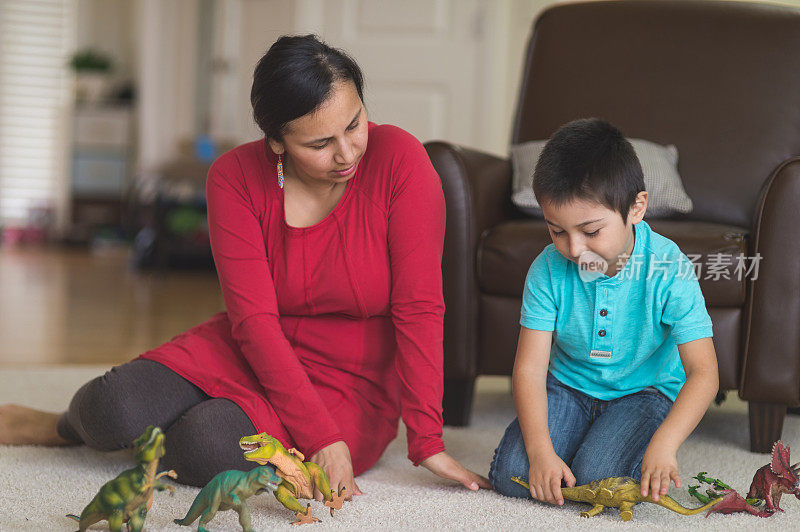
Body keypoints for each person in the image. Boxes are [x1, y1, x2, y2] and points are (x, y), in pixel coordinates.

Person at [0, 34, 490, 496]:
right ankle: (59, 427)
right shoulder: (233, 178)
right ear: (276, 141)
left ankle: (180, 429)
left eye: (354, 124)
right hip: (251, 344)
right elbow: (253, 321)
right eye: (319, 144)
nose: (346, 153)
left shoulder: (401, 161)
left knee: (205, 445)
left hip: (353, 383)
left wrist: (427, 438)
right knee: (114, 407)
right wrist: (318, 438)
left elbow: (420, 307)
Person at [488, 118, 719, 506]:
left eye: (591, 231)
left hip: (644, 393)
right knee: (513, 475)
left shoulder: (668, 267)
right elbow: (529, 369)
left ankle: (610, 442)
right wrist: (542, 450)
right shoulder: (547, 269)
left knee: (598, 478)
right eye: (557, 230)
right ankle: (576, 440)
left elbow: (704, 372)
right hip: (567, 386)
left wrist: (664, 445)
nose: (574, 249)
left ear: (636, 208)